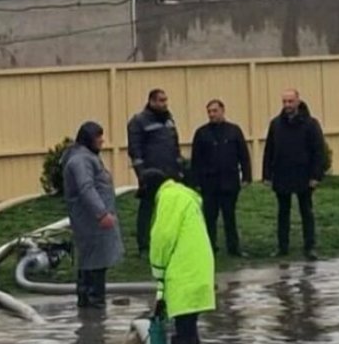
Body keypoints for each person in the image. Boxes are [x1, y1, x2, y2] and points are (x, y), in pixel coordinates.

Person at [142, 168, 216, 344]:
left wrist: (156, 270)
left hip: (185, 272)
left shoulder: (169, 197)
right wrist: (160, 297)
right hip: (198, 269)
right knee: (189, 326)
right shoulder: (183, 196)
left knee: (184, 330)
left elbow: (162, 238)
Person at [62, 121, 125, 308]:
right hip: (91, 222)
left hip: (91, 221)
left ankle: (89, 306)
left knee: (93, 261)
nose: (102, 141)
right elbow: (86, 188)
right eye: (98, 137)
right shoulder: (81, 160)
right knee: (94, 263)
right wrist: (101, 213)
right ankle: (94, 307)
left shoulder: (85, 157)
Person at [262, 89, 326, 261]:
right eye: (284, 102)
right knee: (283, 212)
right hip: (282, 174)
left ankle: (310, 247)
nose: (287, 105)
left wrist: (315, 176)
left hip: (304, 175)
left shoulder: (311, 124)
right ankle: (282, 247)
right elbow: (269, 149)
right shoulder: (276, 124)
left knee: (306, 211)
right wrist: (267, 174)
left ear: (298, 101)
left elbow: (319, 151)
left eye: (290, 102)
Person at [190, 99, 252, 257]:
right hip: (209, 183)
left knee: (229, 216)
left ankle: (234, 248)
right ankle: (209, 247)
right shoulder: (201, 133)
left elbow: (243, 155)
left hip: (229, 181)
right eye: (209, 111)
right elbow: (195, 159)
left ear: (223, 111)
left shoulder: (234, 131)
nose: (212, 114)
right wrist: (195, 181)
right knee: (210, 217)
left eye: (214, 111)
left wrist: (246, 176)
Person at [127, 89, 185, 257]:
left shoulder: (168, 119)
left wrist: (179, 168)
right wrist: (142, 174)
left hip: (171, 172)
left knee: (169, 209)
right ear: (151, 101)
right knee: (147, 208)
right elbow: (135, 150)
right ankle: (144, 246)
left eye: (166, 100)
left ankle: (167, 242)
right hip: (151, 173)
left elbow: (175, 145)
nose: (164, 104)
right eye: (161, 101)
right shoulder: (139, 121)